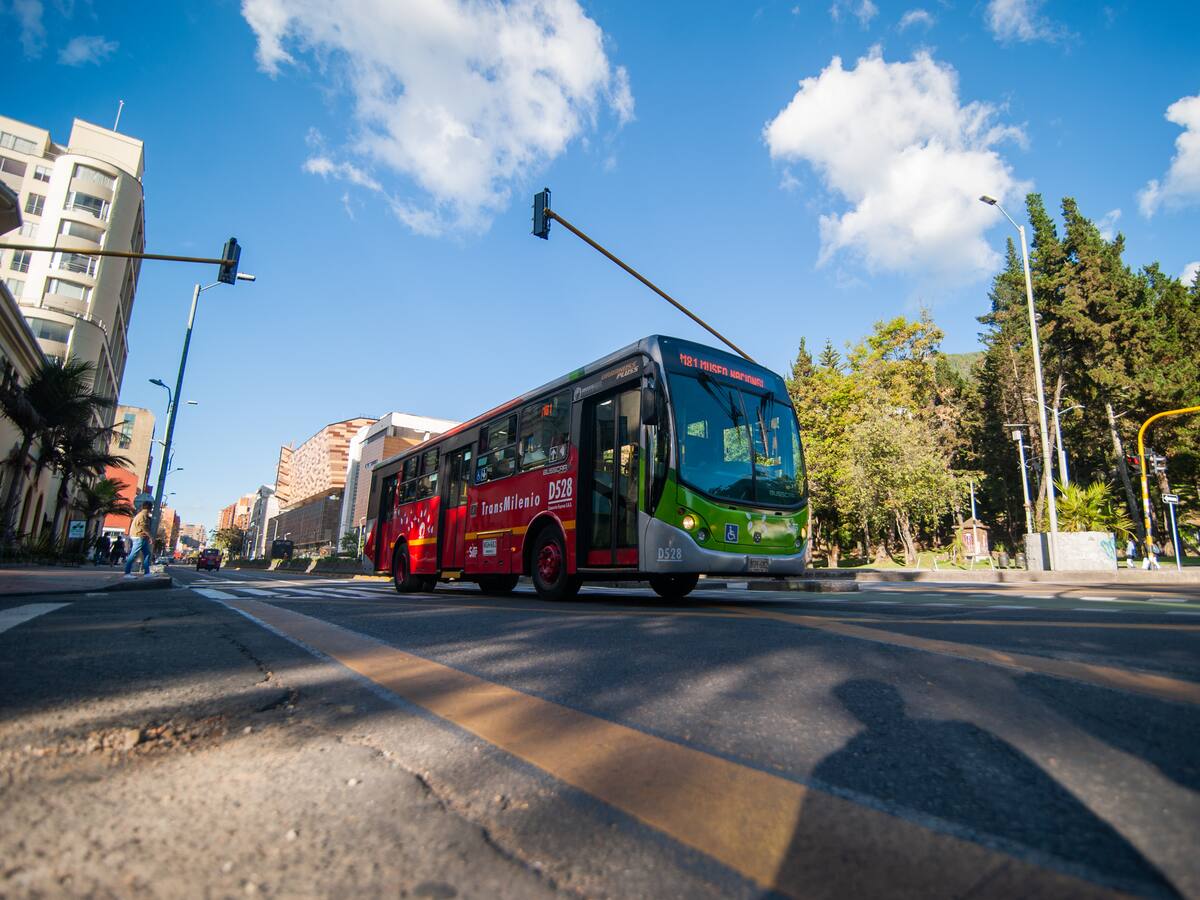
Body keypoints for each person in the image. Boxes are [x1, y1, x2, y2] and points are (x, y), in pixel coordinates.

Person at [123, 502, 154, 578]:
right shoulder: (143, 515)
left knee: (147, 554)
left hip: (139, 536)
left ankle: (147, 573)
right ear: (150, 508)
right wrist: (150, 537)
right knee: (133, 555)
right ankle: (127, 573)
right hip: (139, 536)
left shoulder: (141, 514)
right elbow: (144, 527)